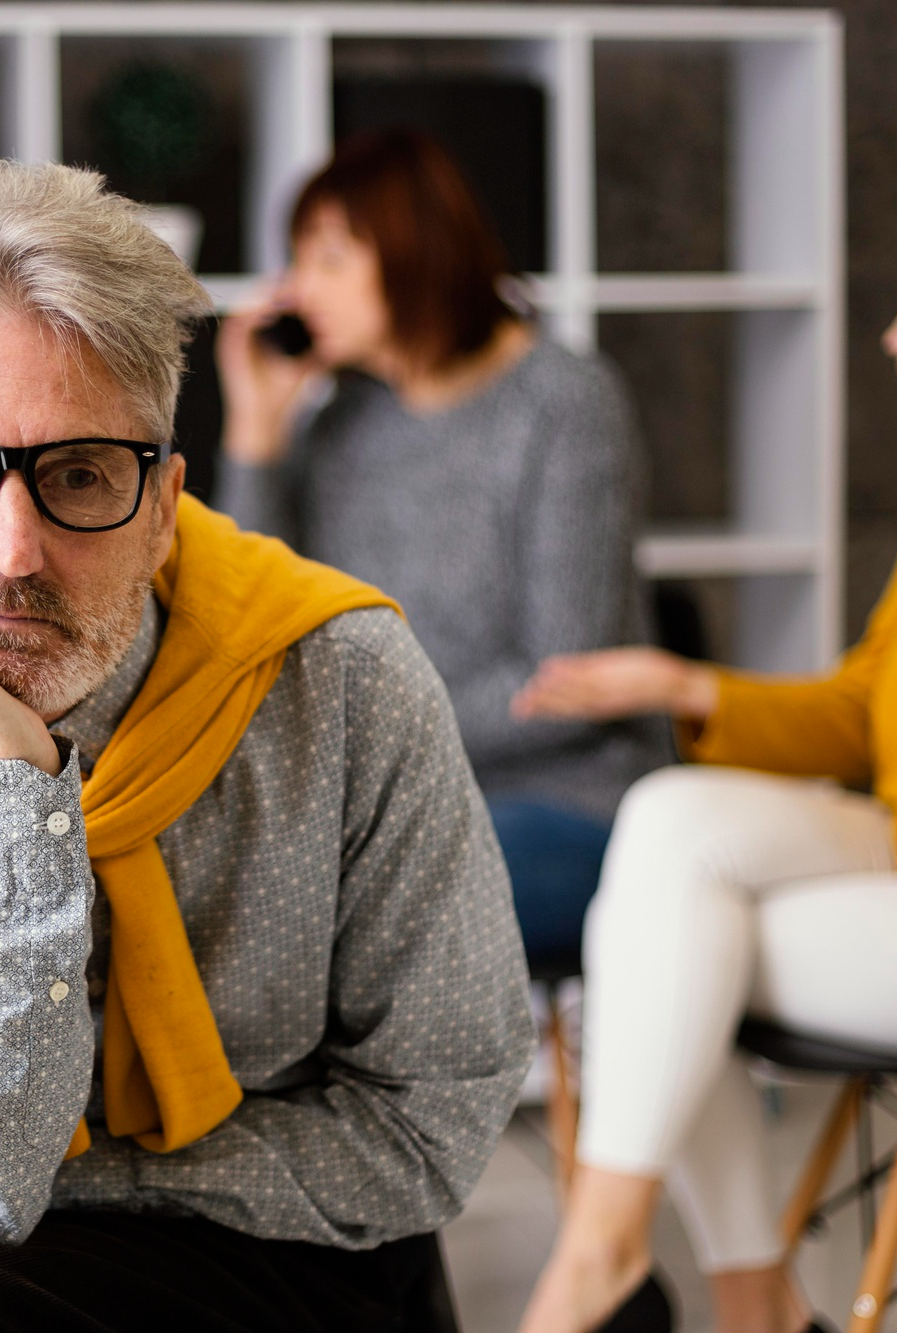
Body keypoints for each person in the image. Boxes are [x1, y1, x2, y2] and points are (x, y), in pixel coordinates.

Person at [0, 156, 535, 1331]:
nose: (10, 550)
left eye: (78, 473)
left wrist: (88, 1179)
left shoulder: (337, 676)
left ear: (165, 501)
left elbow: (429, 1126)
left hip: (289, 1254)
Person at [509, 177, 897, 1333]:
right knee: (666, 821)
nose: (894, 338)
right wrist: (685, 686)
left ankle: (640, 1271)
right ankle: (711, 1289)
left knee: (656, 955)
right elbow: (873, 711)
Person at [214, 128, 671, 965]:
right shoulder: (343, 423)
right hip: (391, 801)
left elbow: (563, 674)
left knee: (315, 918)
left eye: (328, 259)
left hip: (567, 799)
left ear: (413, 250)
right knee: (224, 887)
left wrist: (367, 751)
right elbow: (252, 609)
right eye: (296, 259)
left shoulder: (562, 404)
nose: (294, 288)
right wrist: (257, 426)